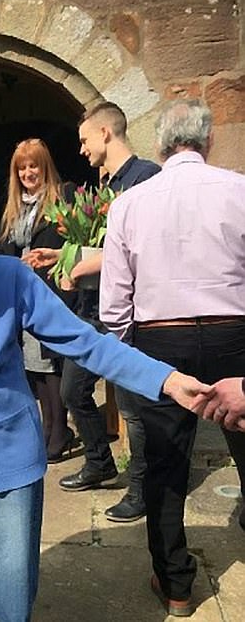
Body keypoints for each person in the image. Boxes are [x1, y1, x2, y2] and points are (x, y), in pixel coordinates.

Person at [0, 173, 210, 622]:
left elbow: (85, 342)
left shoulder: (10, 277)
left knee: (11, 591)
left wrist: (166, 380)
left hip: (7, 457)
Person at [100, 99, 245, 615]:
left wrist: (127, 358)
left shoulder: (130, 203)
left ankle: (177, 583)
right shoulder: (239, 189)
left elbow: (115, 302)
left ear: (160, 146)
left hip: (161, 340)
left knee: (164, 465)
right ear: (208, 143)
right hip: (235, 333)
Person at [32, 102, 161, 523]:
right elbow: (100, 246)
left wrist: (85, 264)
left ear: (106, 133)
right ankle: (99, 461)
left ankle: (142, 487)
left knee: (132, 408)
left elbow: (140, 249)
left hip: (128, 314)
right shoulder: (102, 184)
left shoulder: (146, 180)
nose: (82, 148)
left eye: (85, 139)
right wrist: (62, 254)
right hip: (93, 311)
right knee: (72, 392)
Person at [0, 138, 78, 462]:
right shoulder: (17, 208)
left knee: (52, 364)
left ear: (45, 167)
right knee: (35, 366)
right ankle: (49, 428)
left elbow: (73, 243)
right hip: (24, 295)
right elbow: (4, 249)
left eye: (34, 166)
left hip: (54, 292)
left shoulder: (63, 196)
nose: (29, 172)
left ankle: (59, 431)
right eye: (22, 167)